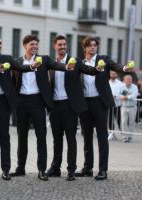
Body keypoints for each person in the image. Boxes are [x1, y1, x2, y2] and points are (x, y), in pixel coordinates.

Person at [11, 34, 75, 181]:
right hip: (22, 103)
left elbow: (56, 65)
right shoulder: (18, 62)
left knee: (41, 137)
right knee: (22, 137)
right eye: (31, 44)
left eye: (36, 44)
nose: (34, 47)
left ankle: (41, 169)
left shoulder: (44, 59)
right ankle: (20, 167)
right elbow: (13, 82)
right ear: (25, 46)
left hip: (37, 102)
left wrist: (66, 66)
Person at [0, 34, 39, 180]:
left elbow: (20, 67)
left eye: (0, 43)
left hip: (2, 102)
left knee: (4, 137)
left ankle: (5, 169)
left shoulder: (7, 59)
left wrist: (31, 66)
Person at [76, 36, 132, 180]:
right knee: (87, 136)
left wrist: (124, 68)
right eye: (90, 45)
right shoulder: (80, 63)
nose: (93, 47)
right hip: (85, 103)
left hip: (100, 103)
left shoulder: (103, 59)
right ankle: (88, 168)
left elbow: (116, 66)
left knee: (102, 137)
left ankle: (103, 170)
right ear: (85, 48)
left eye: (95, 45)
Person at [46, 35, 100, 181]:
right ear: (55, 47)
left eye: (64, 45)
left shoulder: (75, 61)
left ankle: (71, 170)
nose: (63, 47)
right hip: (55, 106)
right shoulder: (51, 63)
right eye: (60, 45)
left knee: (71, 140)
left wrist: (98, 68)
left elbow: (88, 70)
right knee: (57, 140)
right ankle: (55, 168)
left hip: (70, 107)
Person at [119, 75, 138, 142]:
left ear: (131, 80)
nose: (128, 80)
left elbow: (134, 95)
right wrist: (122, 97)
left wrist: (127, 97)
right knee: (123, 122)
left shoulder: (134, 87)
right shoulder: (121, 87)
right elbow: (119, 94)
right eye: (127, 79)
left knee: (131, 122)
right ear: (124, 80)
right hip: (124, 106)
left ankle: (130, 136)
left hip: (132, 107)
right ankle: (124, 137)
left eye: (130, 79)